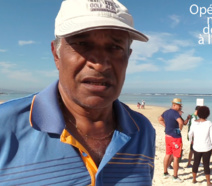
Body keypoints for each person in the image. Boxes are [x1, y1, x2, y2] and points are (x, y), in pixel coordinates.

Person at [0, 0, 155, 185]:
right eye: (82, 43)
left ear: (127, 57)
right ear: (56, 54)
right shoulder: (5, 127)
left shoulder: (142, 130)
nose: (100, 63)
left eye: (115, 47)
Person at [158, 98, 188, 183]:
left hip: (167, 136)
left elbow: (159, 119)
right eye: (179, 106)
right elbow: (181, 122)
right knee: (176, 157)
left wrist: (166, 126)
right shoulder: (175, 113)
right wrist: (179, 130)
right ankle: (175, 176)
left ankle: (165, 173)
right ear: (174, 105)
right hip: (175, 137)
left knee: (167, 154)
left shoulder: (166, 112)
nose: (180, 107)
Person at [189, 106, 212, 185]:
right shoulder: (209, 123)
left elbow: (190, 133)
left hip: (196, 146)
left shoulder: (194, 122)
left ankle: (194, 179)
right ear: (207, 114)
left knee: (196, 162)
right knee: (206, 164)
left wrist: (191, 141)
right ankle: (208, 182)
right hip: (206, 147)